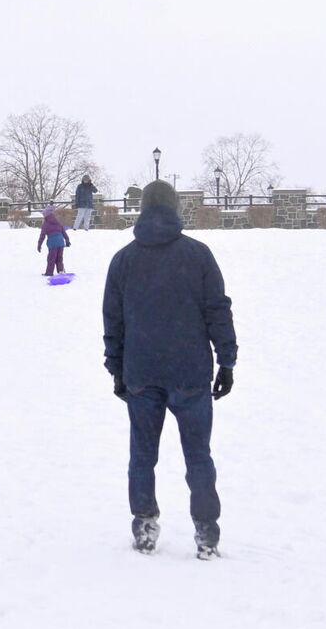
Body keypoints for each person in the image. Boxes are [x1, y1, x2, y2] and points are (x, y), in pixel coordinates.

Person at [102, 180, 238, 560]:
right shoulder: (198, 255)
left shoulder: (124, 260)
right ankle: (206, 532)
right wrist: (226, 360)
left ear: (143, 209)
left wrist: (117, 367)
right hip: (189, 369)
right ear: (175, 208)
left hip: (141, 371)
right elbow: (217, 310)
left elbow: (113, 321)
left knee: (142, 454)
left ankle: (144, 523)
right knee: (198, 454)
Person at [37, 205, 71, 276]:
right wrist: (67, 240)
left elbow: (42, 236)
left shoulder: (46, 224)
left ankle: (49, 272)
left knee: (51, 258)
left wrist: (39, 245)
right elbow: (63, 232)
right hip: (61, 242)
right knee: (59, 258)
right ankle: (61, 271)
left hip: (53, 243)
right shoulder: (58, 222)